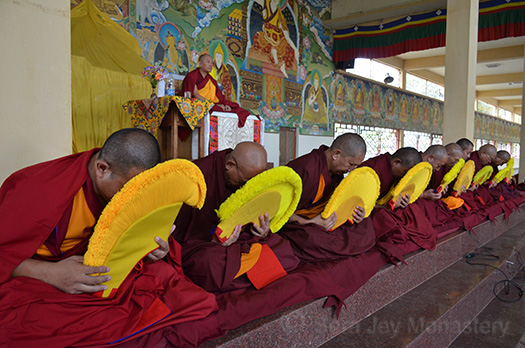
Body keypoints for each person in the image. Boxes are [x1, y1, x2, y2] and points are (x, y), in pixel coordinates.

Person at [0, 128, 217, 347]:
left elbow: (132, 235)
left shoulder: (130, 185)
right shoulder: (38, 188)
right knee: (18, 323)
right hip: (38, 274)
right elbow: (4, 253)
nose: (131, 199)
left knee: (171, 284)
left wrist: (154, 249)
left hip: (98, 273)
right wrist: (53, 274)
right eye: (126, 190)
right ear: (102, 169)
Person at [173, 142, 299, 292]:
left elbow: (250, 214)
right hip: (205, 247)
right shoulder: (197, 178)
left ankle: (239, 275)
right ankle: (244, 276)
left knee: (282, 248)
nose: (244, 188)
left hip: (236, 243)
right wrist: (216, 242)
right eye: (244, 182)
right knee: (210, 265)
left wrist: (262, 230)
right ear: (230, 165)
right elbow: (181, 237)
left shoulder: (244, 175)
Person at [278, 133, 376, 262]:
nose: (351, 170)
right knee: (311, 239)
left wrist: (355, 212)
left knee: (364, 226)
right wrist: (309, 222)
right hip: (298, 223)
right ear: (336, 154)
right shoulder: (305, 168)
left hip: (322, 218)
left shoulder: (336, 172)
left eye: (355, 166)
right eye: (350, 164)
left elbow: (337, 201)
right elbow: (279, 210)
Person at [361, 147, 435, 258]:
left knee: (412, 210)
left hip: (386, 206)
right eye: (405, 172)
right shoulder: (372, 168)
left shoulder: (395, 172)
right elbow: (362, 204)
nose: (404, 177)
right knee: (387, 221)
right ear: (397, 162)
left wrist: (403, 200)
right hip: (370, 211)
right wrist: (386, 206)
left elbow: (396, 192)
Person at [182, 53, 251, 127]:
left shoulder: (211, 80)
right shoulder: (192, 76)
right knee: (218, 109)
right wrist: (214, 105)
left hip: (211, 104)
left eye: (212, 63)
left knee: (238, 110)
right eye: (208, 62)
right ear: (200, 64)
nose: (211, 65)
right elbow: (196, 96)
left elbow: (220, 97)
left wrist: (225, 105)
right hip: (201, 105)